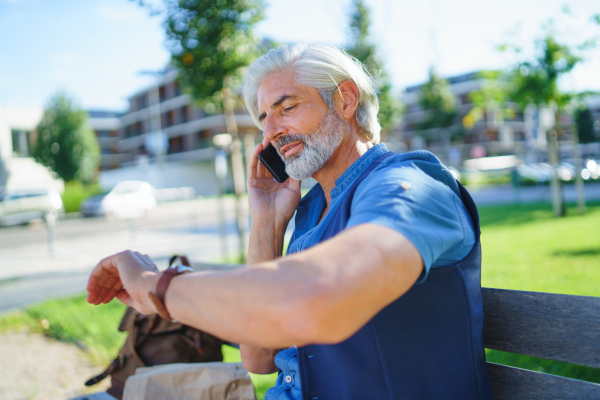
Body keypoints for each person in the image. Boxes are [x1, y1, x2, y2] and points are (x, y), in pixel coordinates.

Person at [87, 43, 493, 400]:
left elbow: (317, 297)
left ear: (345, 101)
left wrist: (153, 288)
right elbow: (259, 357)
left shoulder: (410, 185)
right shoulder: (311, 210)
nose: (272, 131)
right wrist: (267, 223)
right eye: (264, 117)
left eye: (287, 107)